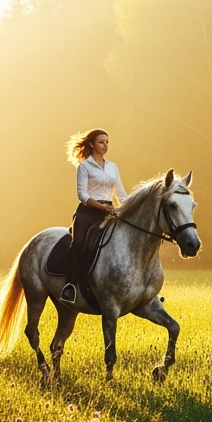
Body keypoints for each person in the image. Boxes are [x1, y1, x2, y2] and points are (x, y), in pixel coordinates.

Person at [61, 129, 128, 303]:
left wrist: (128, 208)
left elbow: (121, 194)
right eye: (101, 142)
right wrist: (100, 206)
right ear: (91, 144)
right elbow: (82, 194)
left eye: (107, 142)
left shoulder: (112, 167)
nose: (105, 145)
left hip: (110, 212)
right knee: (79, 244)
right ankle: (69, 285)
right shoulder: (84, 166)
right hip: (88, 213)